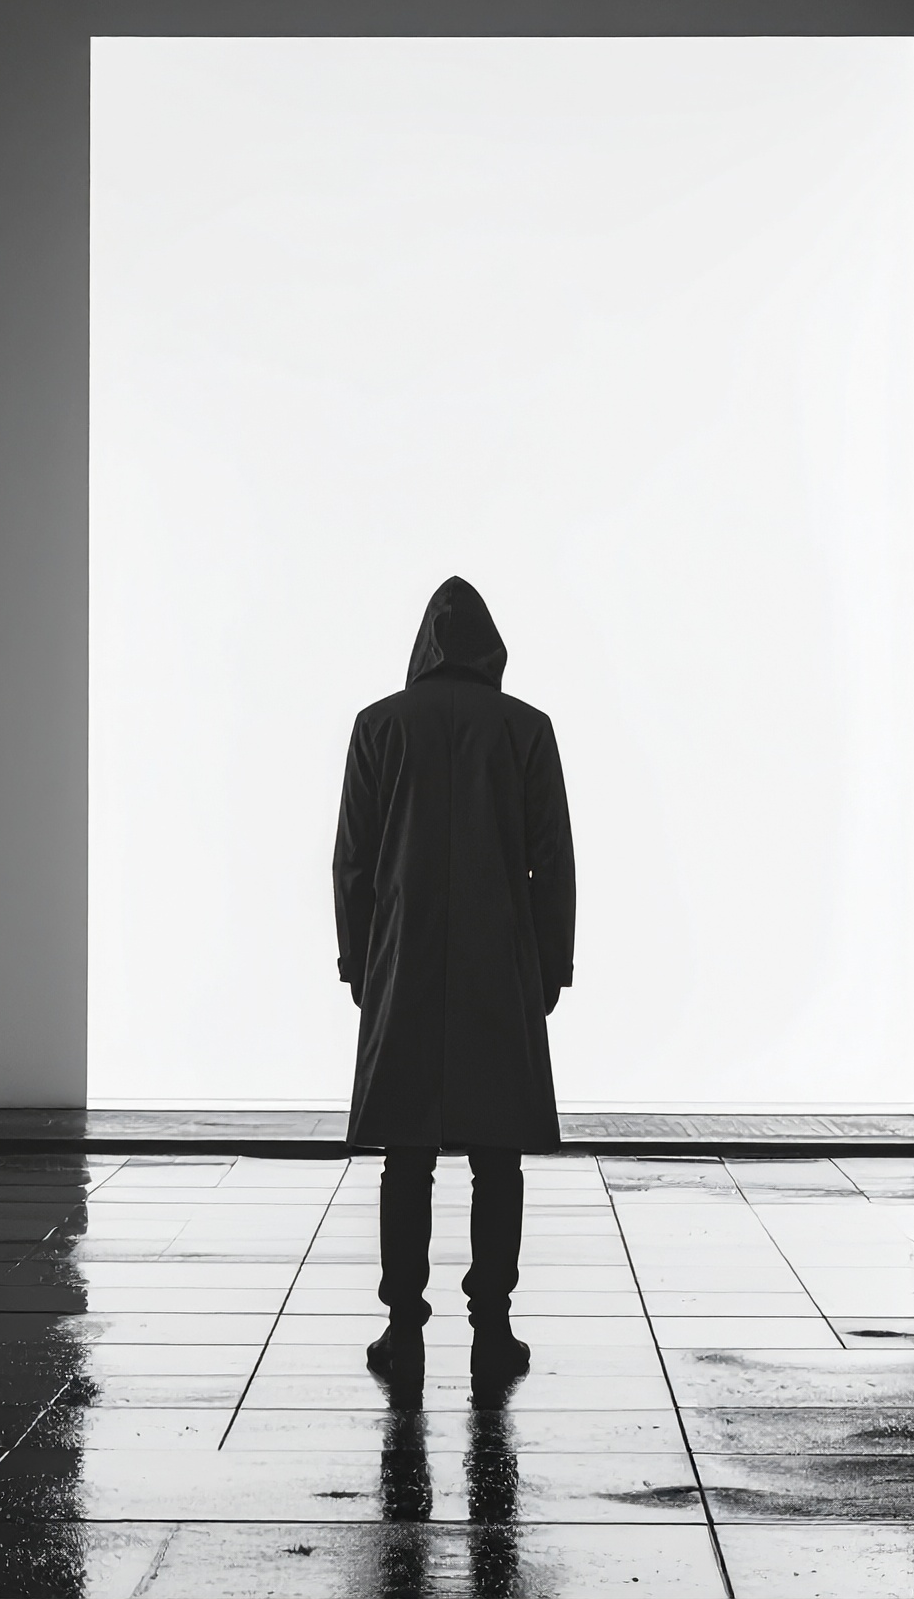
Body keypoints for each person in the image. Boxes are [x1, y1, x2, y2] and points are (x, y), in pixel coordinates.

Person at [333, 576, 576, 1381]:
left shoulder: (379, 726)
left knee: (406, 1157)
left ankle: (403, 1331)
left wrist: (357, 960)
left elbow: (354, 862)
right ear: (491, 647)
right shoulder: (527, 730)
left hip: (403, 959)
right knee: (496, 1156)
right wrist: (551, 965)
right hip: (499, 965)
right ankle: (492, 1330)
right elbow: (553, 862)